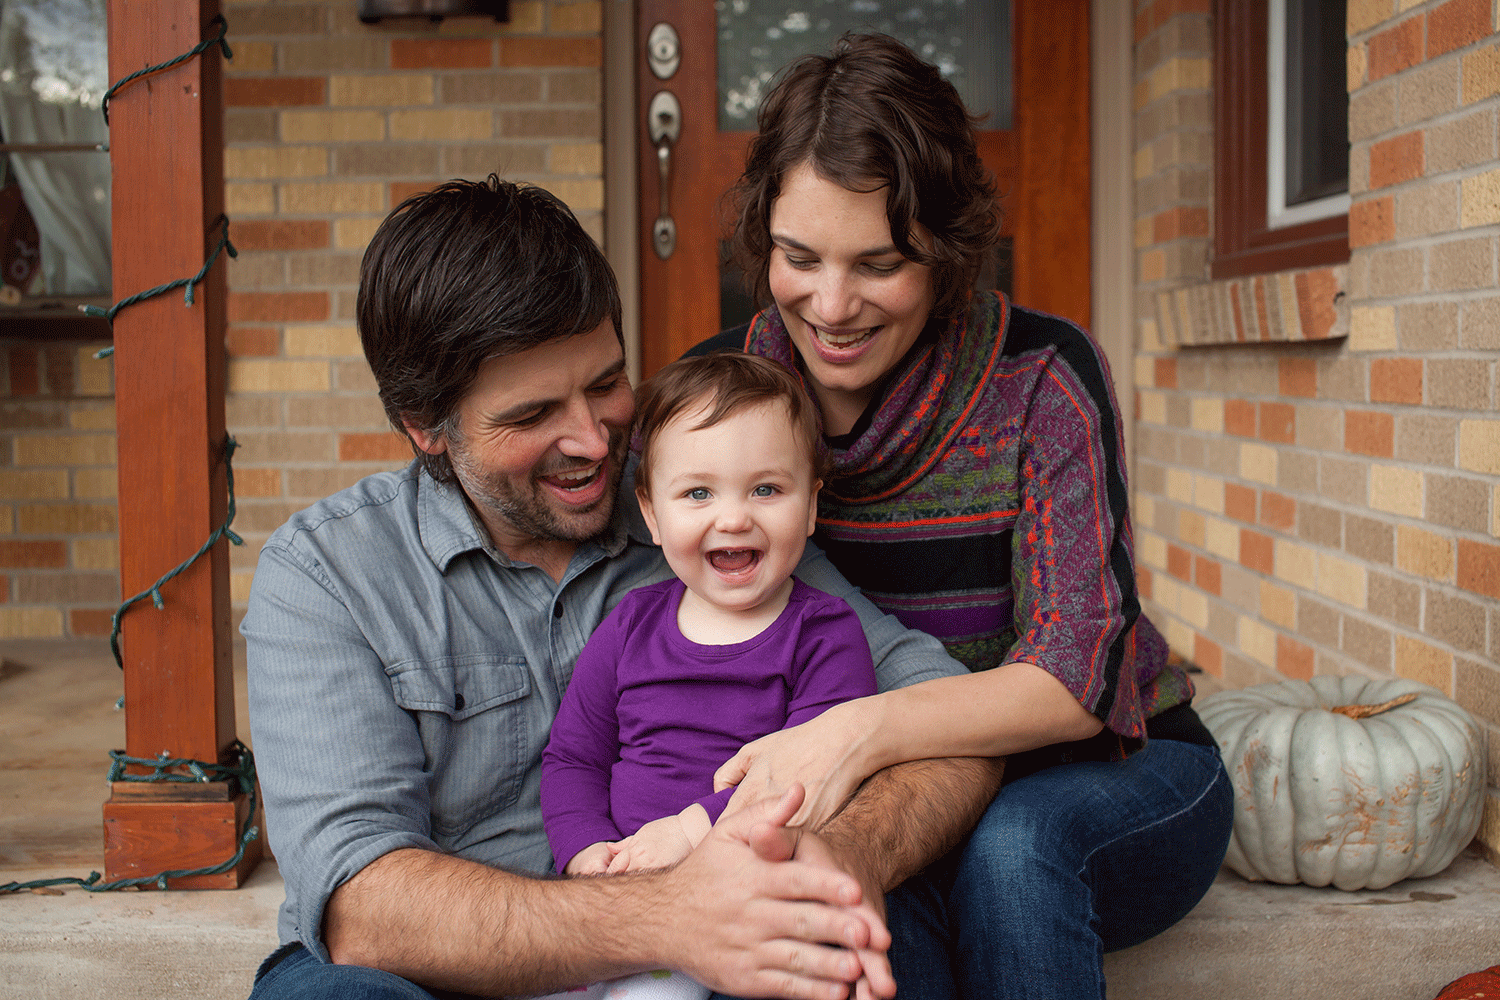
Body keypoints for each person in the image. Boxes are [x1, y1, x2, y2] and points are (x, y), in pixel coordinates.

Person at [240, 175, 1003, 1000]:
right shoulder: (327, 575)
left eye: (605, 384)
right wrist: (667, 913)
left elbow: (942, 723)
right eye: (531, 415)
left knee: (880, 939)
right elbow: (362, 904)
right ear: (425, 426)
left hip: (712, 961)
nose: (593, 440)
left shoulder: (709, 516)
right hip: (440, 980)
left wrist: (842, 853)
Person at [692, 33, 1235, 999]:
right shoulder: (723, 399)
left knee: (1014, 850)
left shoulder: (1042, 374)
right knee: (856, 905)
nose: (832, 304)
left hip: (1113, 774)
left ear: (944, 249)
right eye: (798, 257)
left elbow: (1078, 672)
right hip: (897, 801)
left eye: (880, 263)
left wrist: (863, 730)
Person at [537, 353, 881, 1000]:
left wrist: (690, 830)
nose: (733, 518)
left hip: (748, 901)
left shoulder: (825, 637)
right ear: (653, 514)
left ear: (811, 507)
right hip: (622, 896)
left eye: (767, 490)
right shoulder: (630, 627)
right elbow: (573, 759)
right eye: (698, 493)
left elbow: (810, 779)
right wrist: (586, 856)